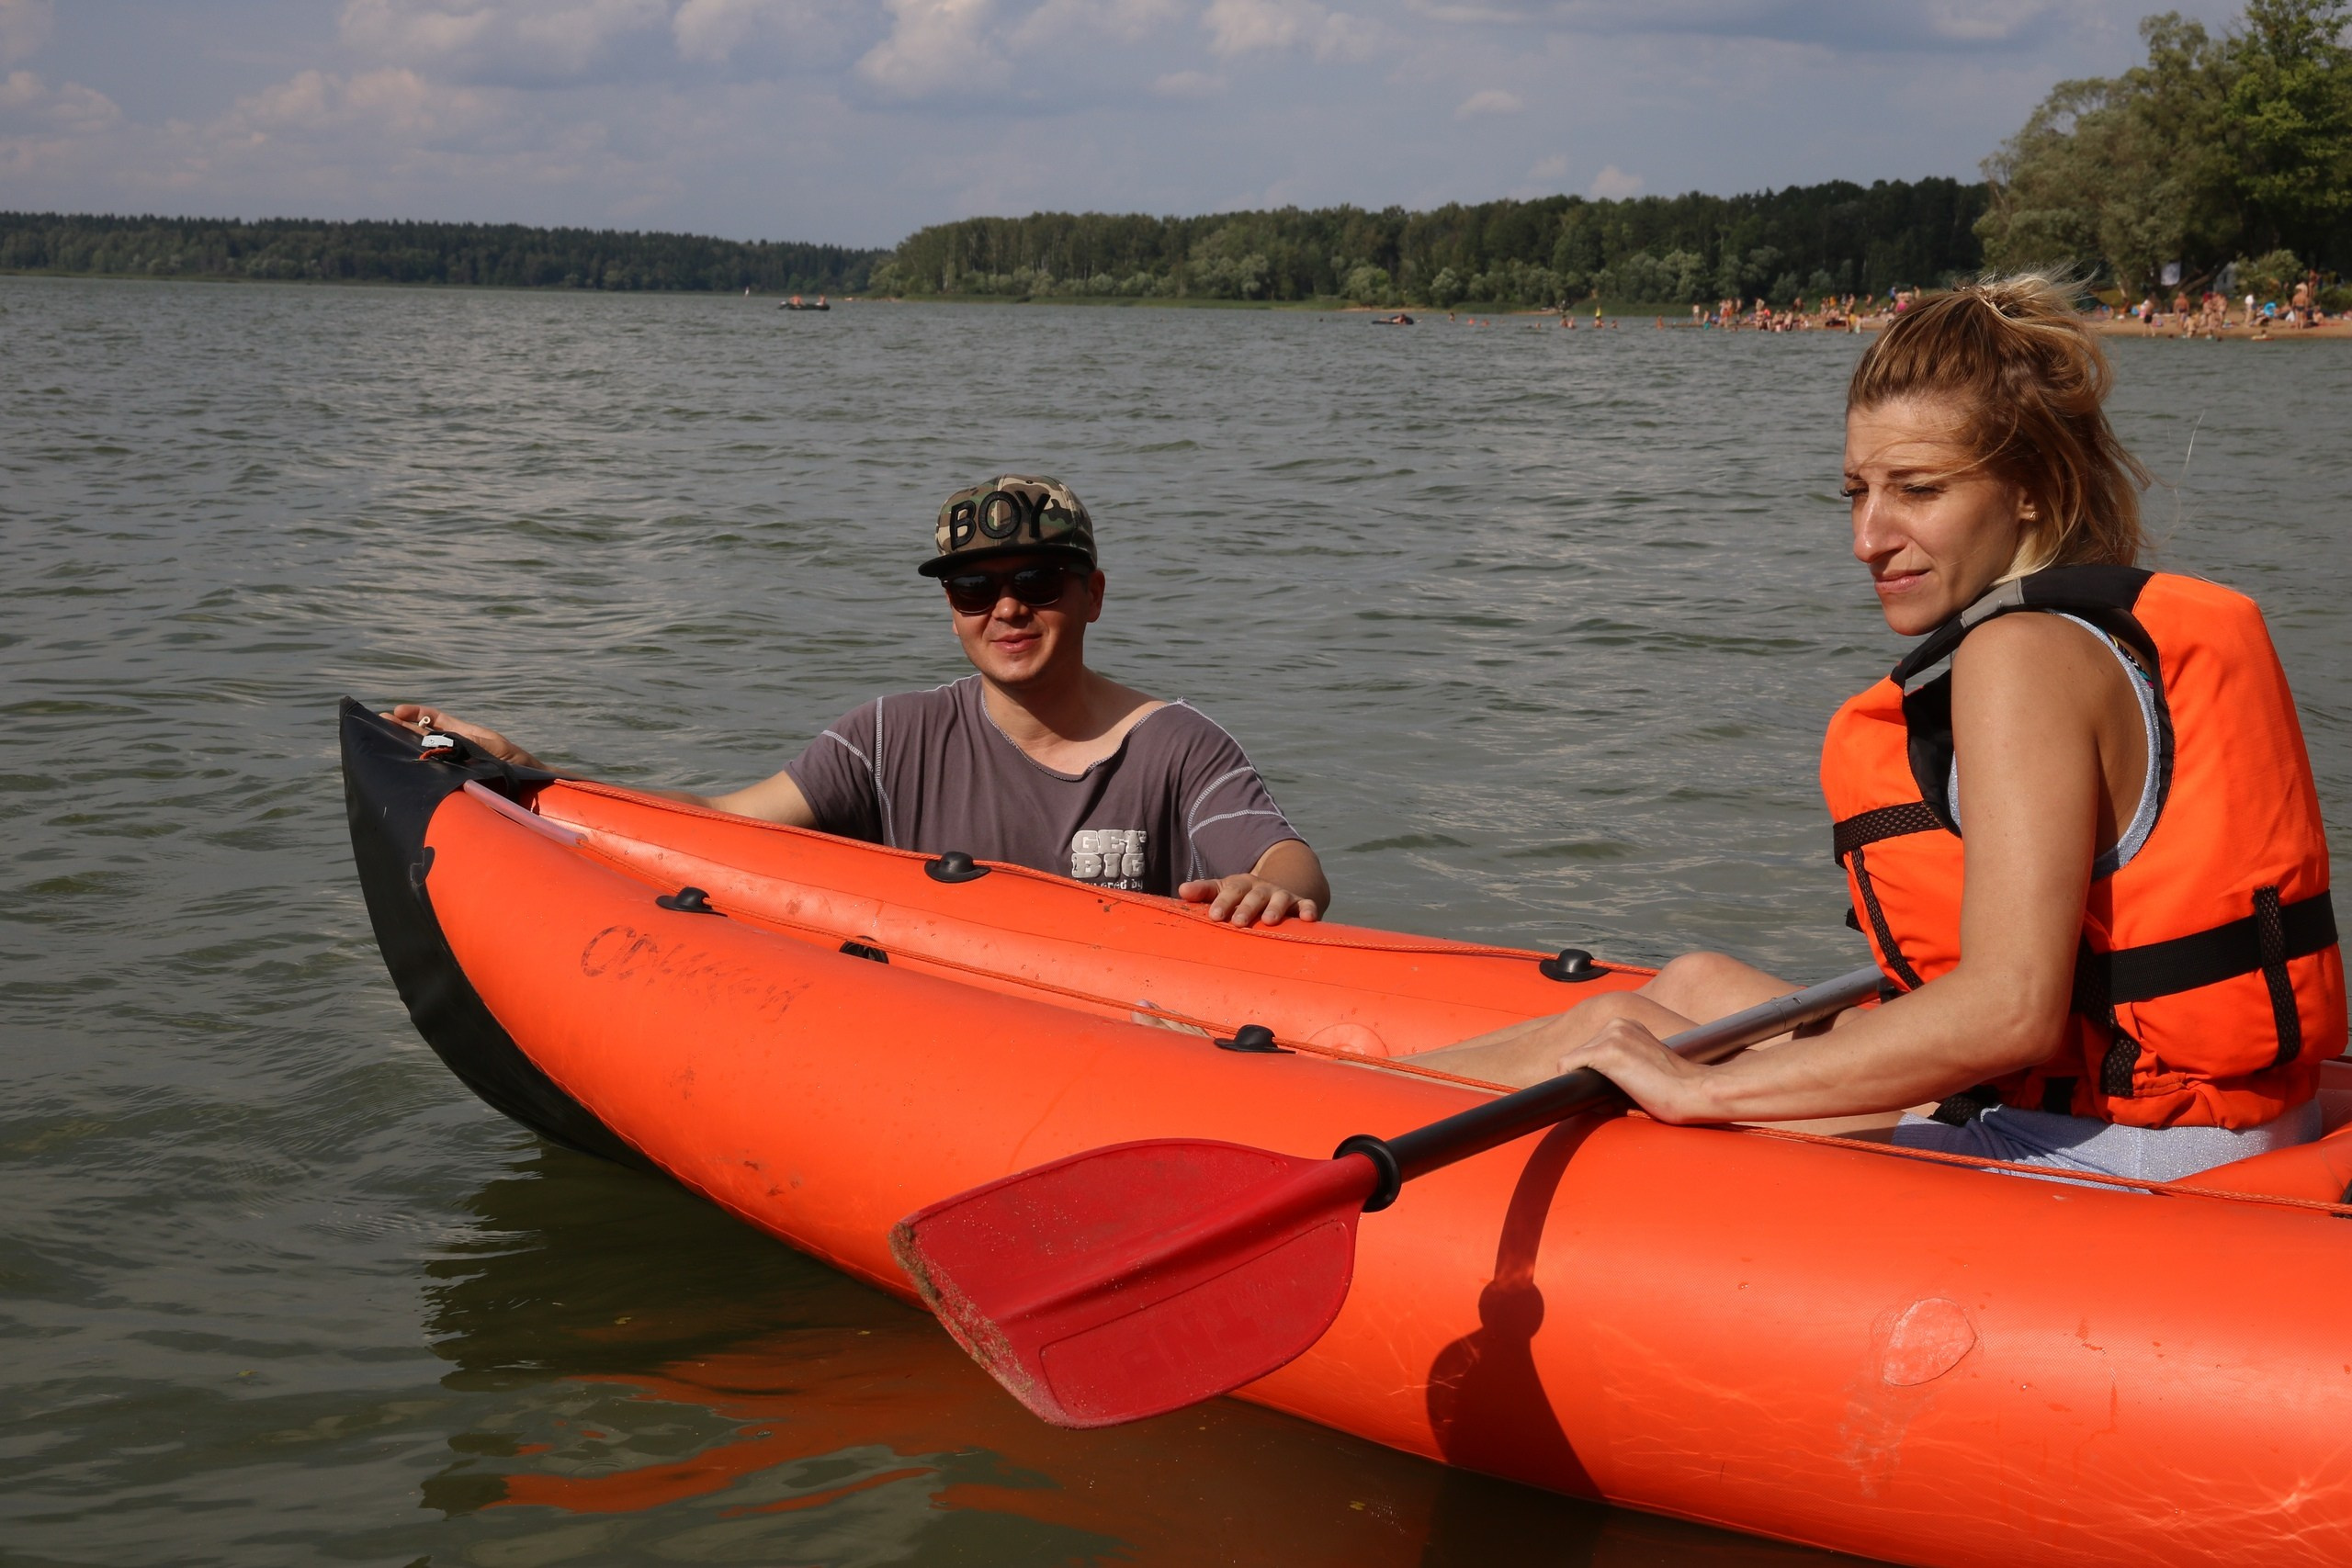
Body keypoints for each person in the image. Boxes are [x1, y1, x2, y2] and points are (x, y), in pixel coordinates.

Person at [1411, 276, 2343, 1180]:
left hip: (2118, 1155)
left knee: (1603, 1036)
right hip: (2211, 1114)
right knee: (1692, 983)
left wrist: (1696, 1093)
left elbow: (2006, 1015)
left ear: (2027, 487)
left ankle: (1340, 1131)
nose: (1868, 537)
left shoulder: (2017, 655)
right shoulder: (2104, 627)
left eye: (1919, 490)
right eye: (1855, 490)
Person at [386, 475, 1333, 927]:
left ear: (1092, 594)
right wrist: (522, 770)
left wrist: (1273, 887)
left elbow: (1280, 857)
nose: (1006, 607)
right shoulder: (889, 736)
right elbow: (719, 827)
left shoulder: (1175, 744)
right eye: (973, 589)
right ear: (952, 612)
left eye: (1039, 581)